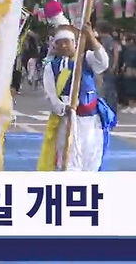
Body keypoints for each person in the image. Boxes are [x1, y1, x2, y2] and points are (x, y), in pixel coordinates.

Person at [37, 24, 114, 172]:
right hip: (68, 120)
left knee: (91, 157)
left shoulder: (87, 58)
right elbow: (50, 95)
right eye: (60, 43)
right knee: (69, 159)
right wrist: (63, 107)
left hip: (90, 120)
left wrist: (92, 39)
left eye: (67, 42)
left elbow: (103, 64)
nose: (64, 46)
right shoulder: (51, 67)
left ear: (74, 43)